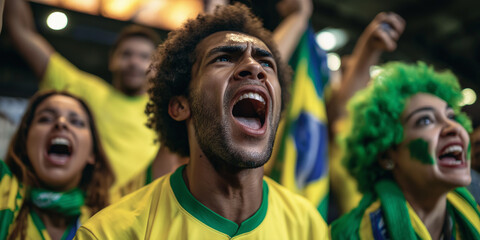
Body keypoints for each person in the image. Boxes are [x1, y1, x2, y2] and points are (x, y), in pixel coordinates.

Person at [74, 3, 328, 239]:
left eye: (266, 62)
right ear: (181, 106)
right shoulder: (110, 233)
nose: (254, 67)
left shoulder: (308, 226)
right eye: (224, 58)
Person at [4, 0, 182, 200]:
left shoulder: (169, 109)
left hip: (144, 215)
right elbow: (22, 32)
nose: (134, 62)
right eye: (126, 54)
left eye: (144, 57)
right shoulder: (85, 90)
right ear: (112, 59)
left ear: (156, 66)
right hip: (88, 214)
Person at [330, 62, 480, 239]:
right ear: (386, 155)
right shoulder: (349, 235)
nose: (453, 127)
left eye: (451, 116)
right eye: (425, 120)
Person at [0, 91, 114, 240]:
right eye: (45, 119)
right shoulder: (4, 191)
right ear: (25, 144)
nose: (61, 123)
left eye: (76, 122)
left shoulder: (109, 220)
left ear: (92, 154)